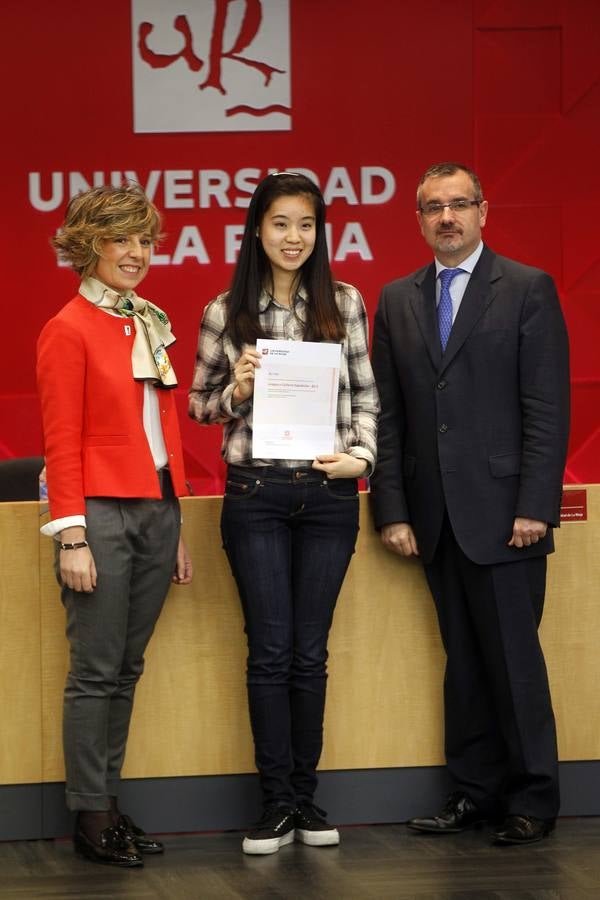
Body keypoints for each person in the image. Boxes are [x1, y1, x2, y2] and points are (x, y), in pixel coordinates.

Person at [370, 162, 570, 846]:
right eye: (433, 207)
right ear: (418, 219)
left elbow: (546, 408)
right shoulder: (396, 299)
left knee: (514, 662)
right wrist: (391, 508)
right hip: (434, 519)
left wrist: (535, 505)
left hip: (509, 516)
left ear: (484, 211)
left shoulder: (526, 289)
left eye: (459, 204)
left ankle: (533, 800)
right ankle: (476, 794)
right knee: (463, 663)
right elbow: (388, 415)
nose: (446, 217)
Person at [189, 172, 379, 855]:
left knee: (310, 653)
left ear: (318, 232)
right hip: (256, 496)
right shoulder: (225, 309)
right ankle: (276, 805)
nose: (293, 237)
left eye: (305, 224)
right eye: (280, 224)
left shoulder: (346, 302)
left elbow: (366, 396)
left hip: (329, 496)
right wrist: (236, 389)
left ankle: (306, 798)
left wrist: (363, 455)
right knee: (270, 653)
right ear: (257, 231)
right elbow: (198, 405)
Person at [37, 183, 193, 867]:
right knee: (97, 673)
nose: (136, 253)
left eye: (144, 240)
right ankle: (91, 814)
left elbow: (164, 432)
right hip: (97, 514)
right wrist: (71, 534)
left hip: (156, 510)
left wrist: (177, 519)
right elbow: (61, 440)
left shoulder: (144, 319)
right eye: (121, 239)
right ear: (88, 244)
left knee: (126, 669)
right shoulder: (67, 328)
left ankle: (109, 804)